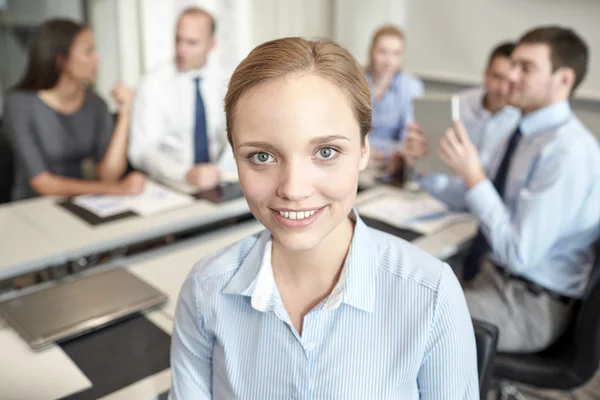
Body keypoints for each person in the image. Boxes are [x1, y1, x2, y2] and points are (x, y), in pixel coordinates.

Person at [169, 37, 478, 399]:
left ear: (365, 149)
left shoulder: (430, 294)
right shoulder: (205, 289)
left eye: (326, 151)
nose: (294, 189)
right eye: (262, 157)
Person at [435, 26, 600, 353]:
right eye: (513, 64)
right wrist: (421, 173)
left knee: (411, 313)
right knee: (400, 279)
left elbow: (519, 254)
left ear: (563, 79)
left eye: (525, 68)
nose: (510, 75)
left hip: (531, 303)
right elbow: (479, 197)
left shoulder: (567, 152)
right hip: (493, 276)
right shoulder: (522, 131)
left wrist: (474, 177)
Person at [4, 19, 145, 200]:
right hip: (33, 210)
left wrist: (125, 113)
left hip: (82, 204)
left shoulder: (96, 104)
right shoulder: (19, 104)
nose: (97, 58)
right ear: (61, 60)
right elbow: (43, 183)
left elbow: (109, 175)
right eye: (89, 52)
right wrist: (116, 189)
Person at [129, 7, 231, 191]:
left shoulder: (226, 81)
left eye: (191, 42)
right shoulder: (153, 83)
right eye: (178, 39)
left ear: (211, 45)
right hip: (171, 185)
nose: (181, 49)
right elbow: (141, 151)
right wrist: (185, 173)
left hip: (217, 181)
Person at [456, 41, 521, 167]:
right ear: (486, 75)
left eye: (510, 82)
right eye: (497, 77)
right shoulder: (459, 104)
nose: (502, 89)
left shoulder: (522, 119)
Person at [366, 25, 424, 159]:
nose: (389, 60)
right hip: (360, 156)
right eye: (382, 52)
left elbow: (408, 138)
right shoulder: (357, 81)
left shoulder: (410, 86)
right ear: (371, 52)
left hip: (393, 160)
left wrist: (383, 153)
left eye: (396, 53)